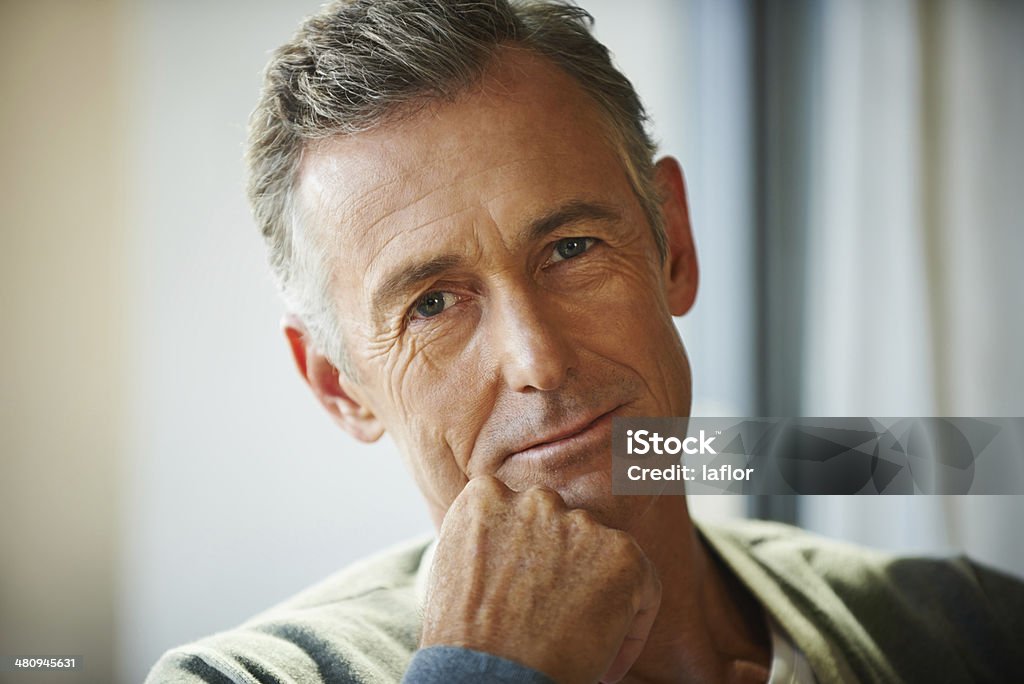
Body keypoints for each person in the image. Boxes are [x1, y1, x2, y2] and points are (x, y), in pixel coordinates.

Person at [146, 1, 1023, 682]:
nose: (538, 359)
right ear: (340, 387)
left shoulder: (967, 629)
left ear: (671, 244)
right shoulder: (242, 679)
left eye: (570, 250)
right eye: (433, 304)